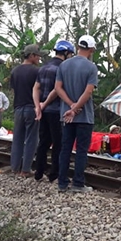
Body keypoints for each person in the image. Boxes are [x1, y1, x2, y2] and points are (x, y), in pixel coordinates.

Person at [56, 35, 98, 193]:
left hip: (66, 116)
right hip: (84, 117)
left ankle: (62, 183)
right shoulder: (91, 67)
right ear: (91, 49)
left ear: (78, 46)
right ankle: (78, 184)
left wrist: (70, 105)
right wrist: (76, 108)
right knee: (81, 150)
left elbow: (58, 88)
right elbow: (88, 92)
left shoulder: (64, 65)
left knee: (65, 148)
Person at [33, 40, 75, 182]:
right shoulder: (63, 68)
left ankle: (39, 172)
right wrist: (44, 104)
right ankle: (54, 174)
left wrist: (38, 106)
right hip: (56, 110)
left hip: (44, 111)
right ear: (66, 53)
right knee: (58, 143)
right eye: (70, 54)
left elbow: (36, 88)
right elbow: (57, 90)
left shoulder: (44, 67)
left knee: (43, 141)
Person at [10, 44, 47, 177]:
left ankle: (14, 167)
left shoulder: (14, 71)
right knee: (32, 138)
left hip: (18, 107)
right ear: (31, 56)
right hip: (32, 107)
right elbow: (39, 90)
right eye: (38, 56)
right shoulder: (37, 71)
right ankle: (25, 169)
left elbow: (14, 90)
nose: (39, 58)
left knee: (18, 138)